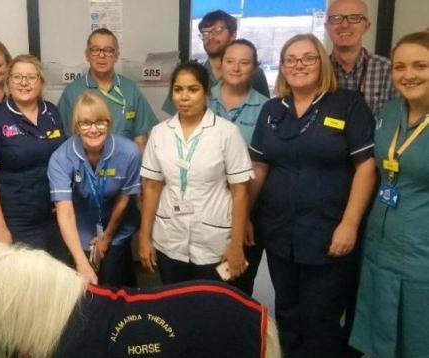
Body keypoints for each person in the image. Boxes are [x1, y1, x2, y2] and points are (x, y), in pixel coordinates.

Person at [249, 34, 376, 358]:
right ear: (281, 67)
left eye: (308, 58)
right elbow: (259, 167)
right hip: (279, 233)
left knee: (321, 318)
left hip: (328, 233)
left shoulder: (348, 103)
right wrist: (246, 218)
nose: (298, 65)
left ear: (322, 62)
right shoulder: (272, 109)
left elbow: (365, 168)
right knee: (288, 312)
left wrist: (349, 224)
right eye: (290, 59)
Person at [350, 31, 429, 358]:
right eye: (400, 67)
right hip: (381, 247)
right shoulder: (390, 111)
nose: (408, 75)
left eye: (420, 65)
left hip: (421, 257)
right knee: (379, 334)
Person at [138, 61, 253, 285]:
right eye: (178, 90)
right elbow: (151, 187)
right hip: (169, 238)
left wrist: (236, 245)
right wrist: (144, 238)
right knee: (174, 307)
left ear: (207, 93)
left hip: (214, 241)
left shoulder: (226, 133)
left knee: (210, 311)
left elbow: (240, 192)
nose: (184, 97)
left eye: (193, 89)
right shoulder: (160, 133)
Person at [0, 55, 66, 254]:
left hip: (51, 218)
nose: (24, 83)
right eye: (17, 77)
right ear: (8, 83)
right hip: (14, 223)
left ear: (41, 82)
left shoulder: (52, 113)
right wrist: (0, 230)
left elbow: (64, 162)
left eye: (31, 77)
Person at [49, 92, 141, 285]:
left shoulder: (129, 152)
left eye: (100, 122)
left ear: (109, 122)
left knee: (115, 285)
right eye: (86, 123)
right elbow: (64, 211)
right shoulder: (61, 157)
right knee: (82, 287)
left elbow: (124, 199)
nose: (93, 129)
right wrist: (82, 263)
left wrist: (106, 237)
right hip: (80, 228)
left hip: (116, 229)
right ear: (76, 126)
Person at [208, 39, 268, 295]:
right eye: (230, 61)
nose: (235, 68)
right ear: (220, 65)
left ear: (254, 69)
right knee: (204, 286)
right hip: (205, 207)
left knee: (238, 286)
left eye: (244, 63)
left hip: (249, 206)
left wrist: (242, 218)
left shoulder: (267, 108)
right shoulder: (202, 99)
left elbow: (260, 165)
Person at [57, 28, 157, 153]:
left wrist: (141, 172)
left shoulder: (130, 90)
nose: (102, 55)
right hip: (86, 166)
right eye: (95, 50)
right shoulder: (72, 92)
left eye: (108, 50)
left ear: (117, 56)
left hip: (124, 166)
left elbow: (140, 139)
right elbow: (66, 141)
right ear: (87, 55)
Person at [162, 10, 270, 115]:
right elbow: (176, 120)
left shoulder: (254, 74)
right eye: (205, 32)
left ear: (233, 34)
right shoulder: (191, 74)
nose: (210, 37)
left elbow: (267, 114)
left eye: (218, 30)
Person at [326, 0, 396, 116]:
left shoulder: (388, 70)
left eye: (354, 18)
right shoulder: (317, 71)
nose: (344, 25)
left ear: (367, 26)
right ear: (327, 27)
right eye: (336, 18)